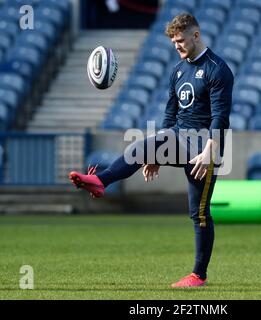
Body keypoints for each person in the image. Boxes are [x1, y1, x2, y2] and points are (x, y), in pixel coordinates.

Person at [69, 13, 234, 288]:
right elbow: (170, 115)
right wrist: (156, 154)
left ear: (196, 35)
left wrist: (209, 153)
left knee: (200, 213)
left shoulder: (218, 69)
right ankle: (100, 181)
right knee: (140, 147)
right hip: (179, 138)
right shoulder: (179, 71)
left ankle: (198, 275)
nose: (177, 46)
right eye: (173, 42)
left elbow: (220, 118)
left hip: (204, 146)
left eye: (180, 41)